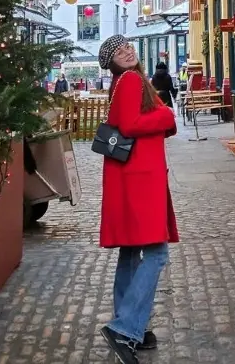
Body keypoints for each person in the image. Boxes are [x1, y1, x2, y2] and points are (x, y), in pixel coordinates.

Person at [97, 34, 178, 364]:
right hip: (140, 179)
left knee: (131, 253)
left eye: (127, 46)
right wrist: (167, 116)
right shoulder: (131, 80)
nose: (127, 51)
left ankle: (132, 325)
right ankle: (125, 327)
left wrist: (163, 117)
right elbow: (131, 125)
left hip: (131, 176)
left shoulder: (126, 81)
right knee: (156, 254)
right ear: (112, 62)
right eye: (118, 51)